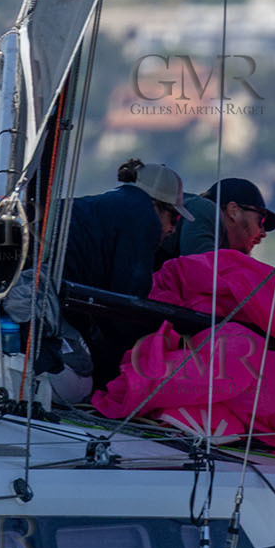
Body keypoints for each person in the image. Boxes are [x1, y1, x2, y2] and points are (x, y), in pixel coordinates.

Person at [61, 158, 194, 386]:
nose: (173, 229)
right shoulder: (143, 217)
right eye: (174, 217)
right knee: (83, 382)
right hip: (51, 295)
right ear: (156, 204)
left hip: (37, 281)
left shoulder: (107, 205)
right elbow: (128, 306)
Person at [175, 177, 275, 258]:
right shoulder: (205, 209)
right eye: (261, 221)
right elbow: (200, 275)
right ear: (233, 210)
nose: (263, 233)